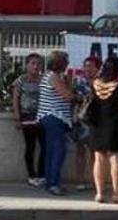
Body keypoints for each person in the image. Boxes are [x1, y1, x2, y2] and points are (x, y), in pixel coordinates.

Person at [88, 57, 118, 203]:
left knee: (99, 159)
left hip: (97, 126)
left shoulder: (94, 85)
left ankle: (99, 193)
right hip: (115, 126)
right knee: (115, 159)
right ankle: (117, 194)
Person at [36, 50, 74, 196]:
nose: (67, 64)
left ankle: (51, 181)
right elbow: (68, 95)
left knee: (52, 151)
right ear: (58, 63)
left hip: (54, 118)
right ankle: (53, 183)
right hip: (54, 117)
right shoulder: (53, 77)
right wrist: (70, 84)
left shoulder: (53, 76)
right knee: (58, 150)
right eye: (65, 61)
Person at [12, 53, 45, 188]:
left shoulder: (44, 80)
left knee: (45, 147)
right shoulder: (21, 80)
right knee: (30, 146)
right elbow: (15, 99)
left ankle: (42, 174)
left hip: (42, 116)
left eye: (38, 64)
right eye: (33, 63)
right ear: (27, 65)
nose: (36, 67)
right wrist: (17, 117)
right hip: (27, 116)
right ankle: (31, 175)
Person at [71, 56, 101, 192]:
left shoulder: (101, 83)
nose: (87, 68)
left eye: (90, 66)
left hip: (96, 122)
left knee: (95, 154)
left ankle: (95, 181)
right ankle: (80, 181)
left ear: (97, 68)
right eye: (85, 66)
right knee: (80, 152)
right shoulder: (78, 82)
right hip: (81, 122)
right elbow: (72, 100)